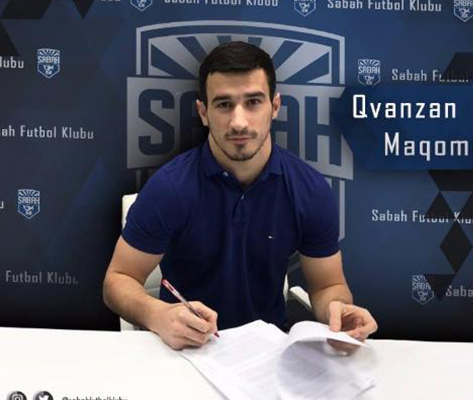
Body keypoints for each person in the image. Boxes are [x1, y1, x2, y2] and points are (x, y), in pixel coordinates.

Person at [103, 41, 377, 351]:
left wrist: (338, 313)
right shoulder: (169, 188)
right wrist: (157, 314)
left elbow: (328, 285)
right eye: (223, 104)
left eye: (253, 102)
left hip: (270, 353)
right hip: (186, 350)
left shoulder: (310, 190)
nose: (239, 122)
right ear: (203, 113)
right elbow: (119, 278)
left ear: (275, 106)